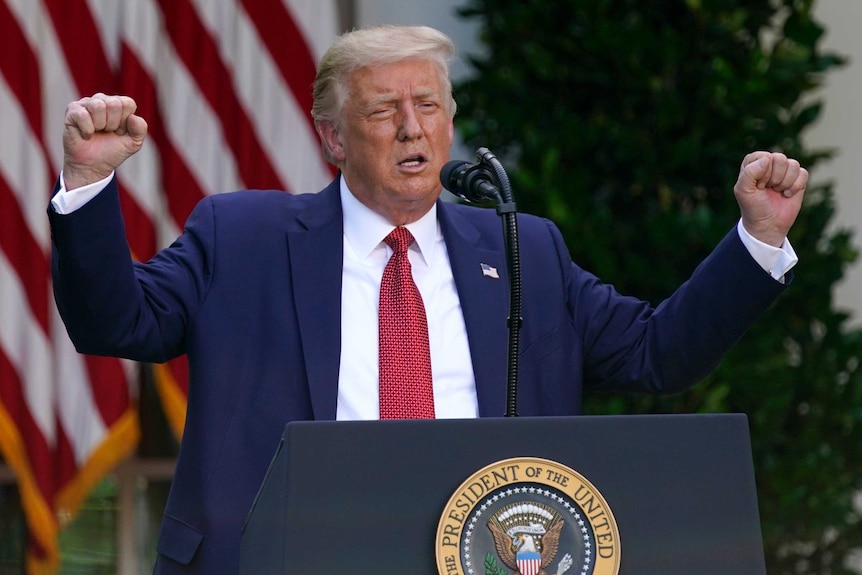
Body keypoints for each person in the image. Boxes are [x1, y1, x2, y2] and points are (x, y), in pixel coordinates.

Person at [50, 24, 806, 575]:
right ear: (333, 137)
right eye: (383, 110)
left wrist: (756, 240)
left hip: (476, 555)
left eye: (430, 105)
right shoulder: (243, 237)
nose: (412, 127)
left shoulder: (522, 250)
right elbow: (116, 320)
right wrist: (88, 186)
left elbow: (652, 352)